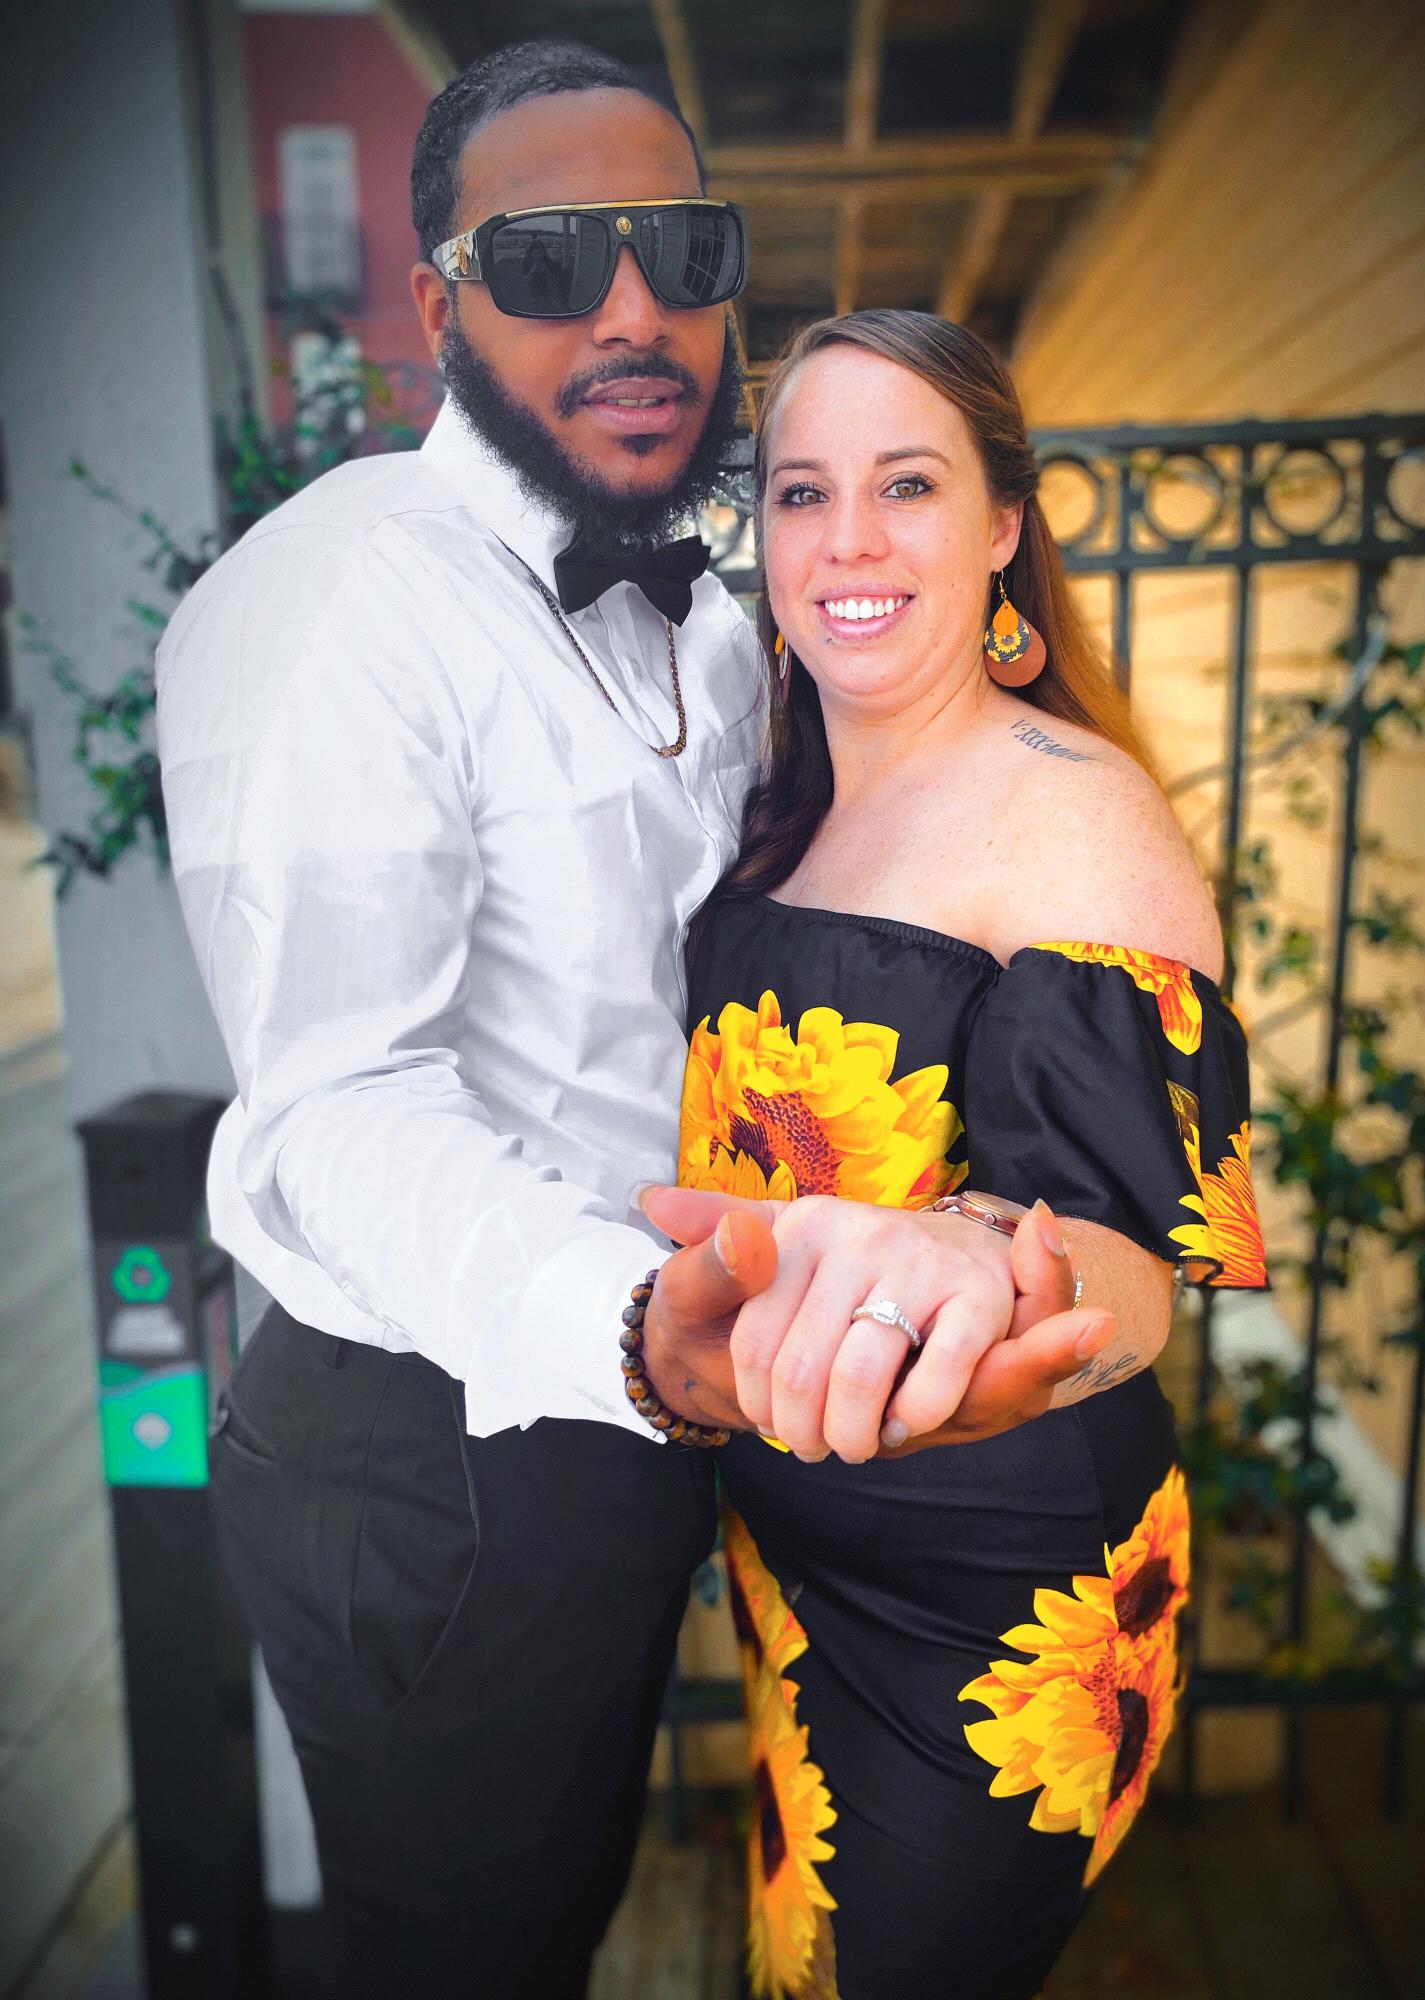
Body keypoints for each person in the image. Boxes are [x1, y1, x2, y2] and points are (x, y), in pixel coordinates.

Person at [155, 38, 1189, 2000]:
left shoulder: (723, 630)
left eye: (681, 251)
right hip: (453, 1432)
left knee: (611, 1905)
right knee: (475, 1953)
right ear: (434, 304)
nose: (631, 310)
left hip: (701, 1416)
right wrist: (638, 1325)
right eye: (551, 259)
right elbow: (335, 1101)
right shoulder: (345, 603)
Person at [638, 310, 1269, 1998]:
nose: (846, 539)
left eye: (907, 485)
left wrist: (973, 1246)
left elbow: (1134, 1271)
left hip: (991, 1607)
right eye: (802, 492)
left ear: (1002, 527)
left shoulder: (1072, 809)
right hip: (790, 1554)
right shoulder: (783, 803)